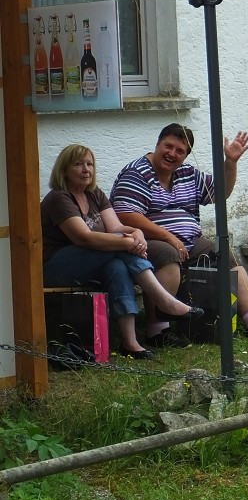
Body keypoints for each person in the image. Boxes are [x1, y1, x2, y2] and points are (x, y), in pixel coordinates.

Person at [110, 124, 248, 346]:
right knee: (168, 255)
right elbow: (125, 214)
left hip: (188, 242)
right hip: (145, 243)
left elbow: (220, 193)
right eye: (168, 146)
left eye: (180, 151)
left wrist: (231, 163)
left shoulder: (187, 173)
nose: (172, 154)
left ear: (186, 155)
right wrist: (168, 236)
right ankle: (157, 332)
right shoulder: (137, 172)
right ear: (157, 144)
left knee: (223, 253)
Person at [41, 144, 204, 359]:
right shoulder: (59, 198)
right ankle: (163, 301)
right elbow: (83, 237)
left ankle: (130, 343)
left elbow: (116, 228)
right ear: (64, 169)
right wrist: (128, 243)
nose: (85, 169)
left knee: (117, 266)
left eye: (89, 164)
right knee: (118, 247)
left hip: (93, 262)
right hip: (57, 267)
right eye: (78, 164)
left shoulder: (95, 194)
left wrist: (136, 232)